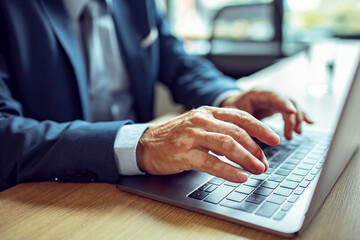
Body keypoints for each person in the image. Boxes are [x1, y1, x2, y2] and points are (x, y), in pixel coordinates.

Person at [0, 0, 312, 191]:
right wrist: (139, 144)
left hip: (138, 186)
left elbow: (178, 62)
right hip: (44, 194)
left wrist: (229, 97)